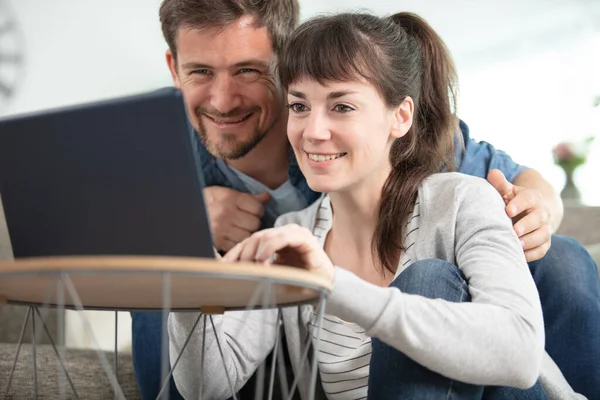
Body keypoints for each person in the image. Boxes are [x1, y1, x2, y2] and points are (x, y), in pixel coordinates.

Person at [131, 0, 600, 398]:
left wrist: (332, 285)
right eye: (300, 106)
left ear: (401, 117)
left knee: (437, 277)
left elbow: (518, 356)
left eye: (342, 106)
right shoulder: (292, 233)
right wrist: (187, 257)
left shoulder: (460, 197)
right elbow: (203, 383)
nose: (313, 130)